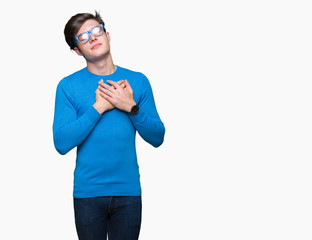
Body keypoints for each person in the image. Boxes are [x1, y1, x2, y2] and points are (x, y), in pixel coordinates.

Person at [52, 11, 165, 240]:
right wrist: (98, 108)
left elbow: (158, 137)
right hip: (88, 194)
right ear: (77, 50)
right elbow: (61, 143)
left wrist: (130, 107)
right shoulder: (67, 86)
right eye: (83, 37)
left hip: (128, 193)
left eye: (96, 31)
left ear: (107, 35)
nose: (92, 38)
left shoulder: (139, 80)